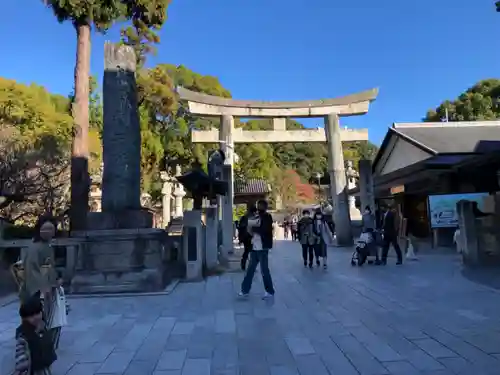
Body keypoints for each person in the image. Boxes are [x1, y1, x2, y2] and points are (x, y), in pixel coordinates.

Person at [19, 216, 59, 352]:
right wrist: (42, 287)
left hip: (46, 284)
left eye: (51, 229)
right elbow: (32, 270)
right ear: (39, 230)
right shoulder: (34, 248)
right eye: (45, 228)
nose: (49, 232)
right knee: (35, 316)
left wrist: (55, 280)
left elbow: (50, 267)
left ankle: (42, 342)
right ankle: (30, 343)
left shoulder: (46, 246)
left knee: (47, 316)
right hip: (36, 288)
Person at [238, 200, 275, 299]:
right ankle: (245, 290)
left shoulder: (267, 217)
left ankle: (270, 291)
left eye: (261, 206)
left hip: (263, 248)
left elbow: (265, 230)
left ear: (265, 207)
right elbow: (249, 230)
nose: (259, 207)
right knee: (250, 270)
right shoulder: (254, 217)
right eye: (258, 205)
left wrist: (254, 228)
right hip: (255, 246)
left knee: (264, 270)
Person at [14, 295, 57, 375]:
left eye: (37, 313)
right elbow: (21, 363)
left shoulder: (44, 328)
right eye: (31, 315)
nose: (35, 317)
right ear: (24, 318)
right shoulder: (23, 336)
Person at [238, 204, 256, 270]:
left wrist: (240, 239)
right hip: (251, 237)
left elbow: (240, 228)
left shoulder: (244, 217)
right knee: (252, 252)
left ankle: (243, 263)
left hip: (246, 237)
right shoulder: (254, 217)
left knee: (247, 251)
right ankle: (251, 265)